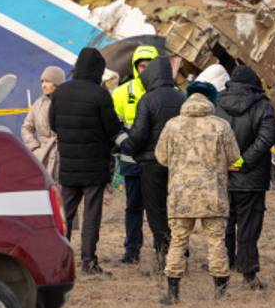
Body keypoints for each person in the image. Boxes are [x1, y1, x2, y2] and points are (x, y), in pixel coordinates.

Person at [154, 81, 238, 304]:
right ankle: (220, 294)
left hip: (181, 195)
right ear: (211, 99)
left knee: (178, 240)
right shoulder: (221, 126)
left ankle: (173, 293)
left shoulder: (172, 125)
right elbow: (234, 157)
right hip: (213, 195)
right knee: (216, 241)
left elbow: (161, 157)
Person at [49, 47, 122, 276]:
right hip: (94, 165)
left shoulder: (61, 92)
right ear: (98, 71)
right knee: (91, 214)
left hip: (69, 165)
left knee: (66, 215)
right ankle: (88, 262)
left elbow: (53, 124)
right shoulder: (100, 94)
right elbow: (112, 129)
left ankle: (61, 261)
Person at [118, 56, 184, 271]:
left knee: (156, 211)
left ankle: (164, 254)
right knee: (176, 211)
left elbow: (138, 135)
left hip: (151, 164)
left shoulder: (147, 100)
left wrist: (125, 148)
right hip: (178, 165)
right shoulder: (181, 98)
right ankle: (181, 252)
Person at [215, 65, 275, 289]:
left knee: (225, 224)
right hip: (252, 179)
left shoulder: (217, 103)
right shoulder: (263, 106)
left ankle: (224, 268)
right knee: (249, 227)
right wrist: (243, 161)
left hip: (222, 176)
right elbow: (266, 138)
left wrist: (225, 161)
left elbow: (211, 136)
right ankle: (249, 273)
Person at [111, 45, 159, 264]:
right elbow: (114, 125)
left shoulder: (168, 93)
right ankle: (132, 250)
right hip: (131, 161)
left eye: (149, 66)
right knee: (133, 208)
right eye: (141, 66)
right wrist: (125, 145)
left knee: (159, 208)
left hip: (158, 162)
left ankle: (163, 248)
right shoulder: (121, 92)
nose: (145, 70)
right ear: (135, 66)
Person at [21, 66, 65, 179]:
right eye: (42, 81)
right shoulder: (38, 104)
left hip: (64, 160)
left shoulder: (69, 103)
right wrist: (35, 148)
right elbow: (26, 128)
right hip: (43, 158)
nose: (43, 85)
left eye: (47, 81)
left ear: (57, 83)